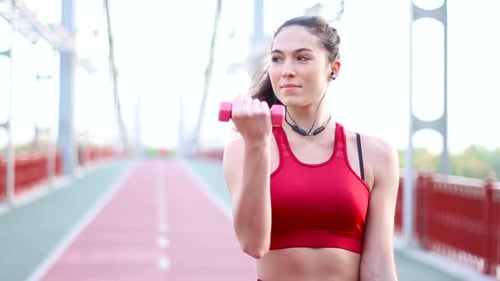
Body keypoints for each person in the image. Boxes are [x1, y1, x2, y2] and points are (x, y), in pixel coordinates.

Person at [222, 15, 399, 281]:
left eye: (302, 58)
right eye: (277, 59)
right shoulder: (243, 150)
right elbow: (253, 244)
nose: (286, 70)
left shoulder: (375, 155)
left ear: (334, 69)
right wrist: (258, 143)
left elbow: (379, 266)